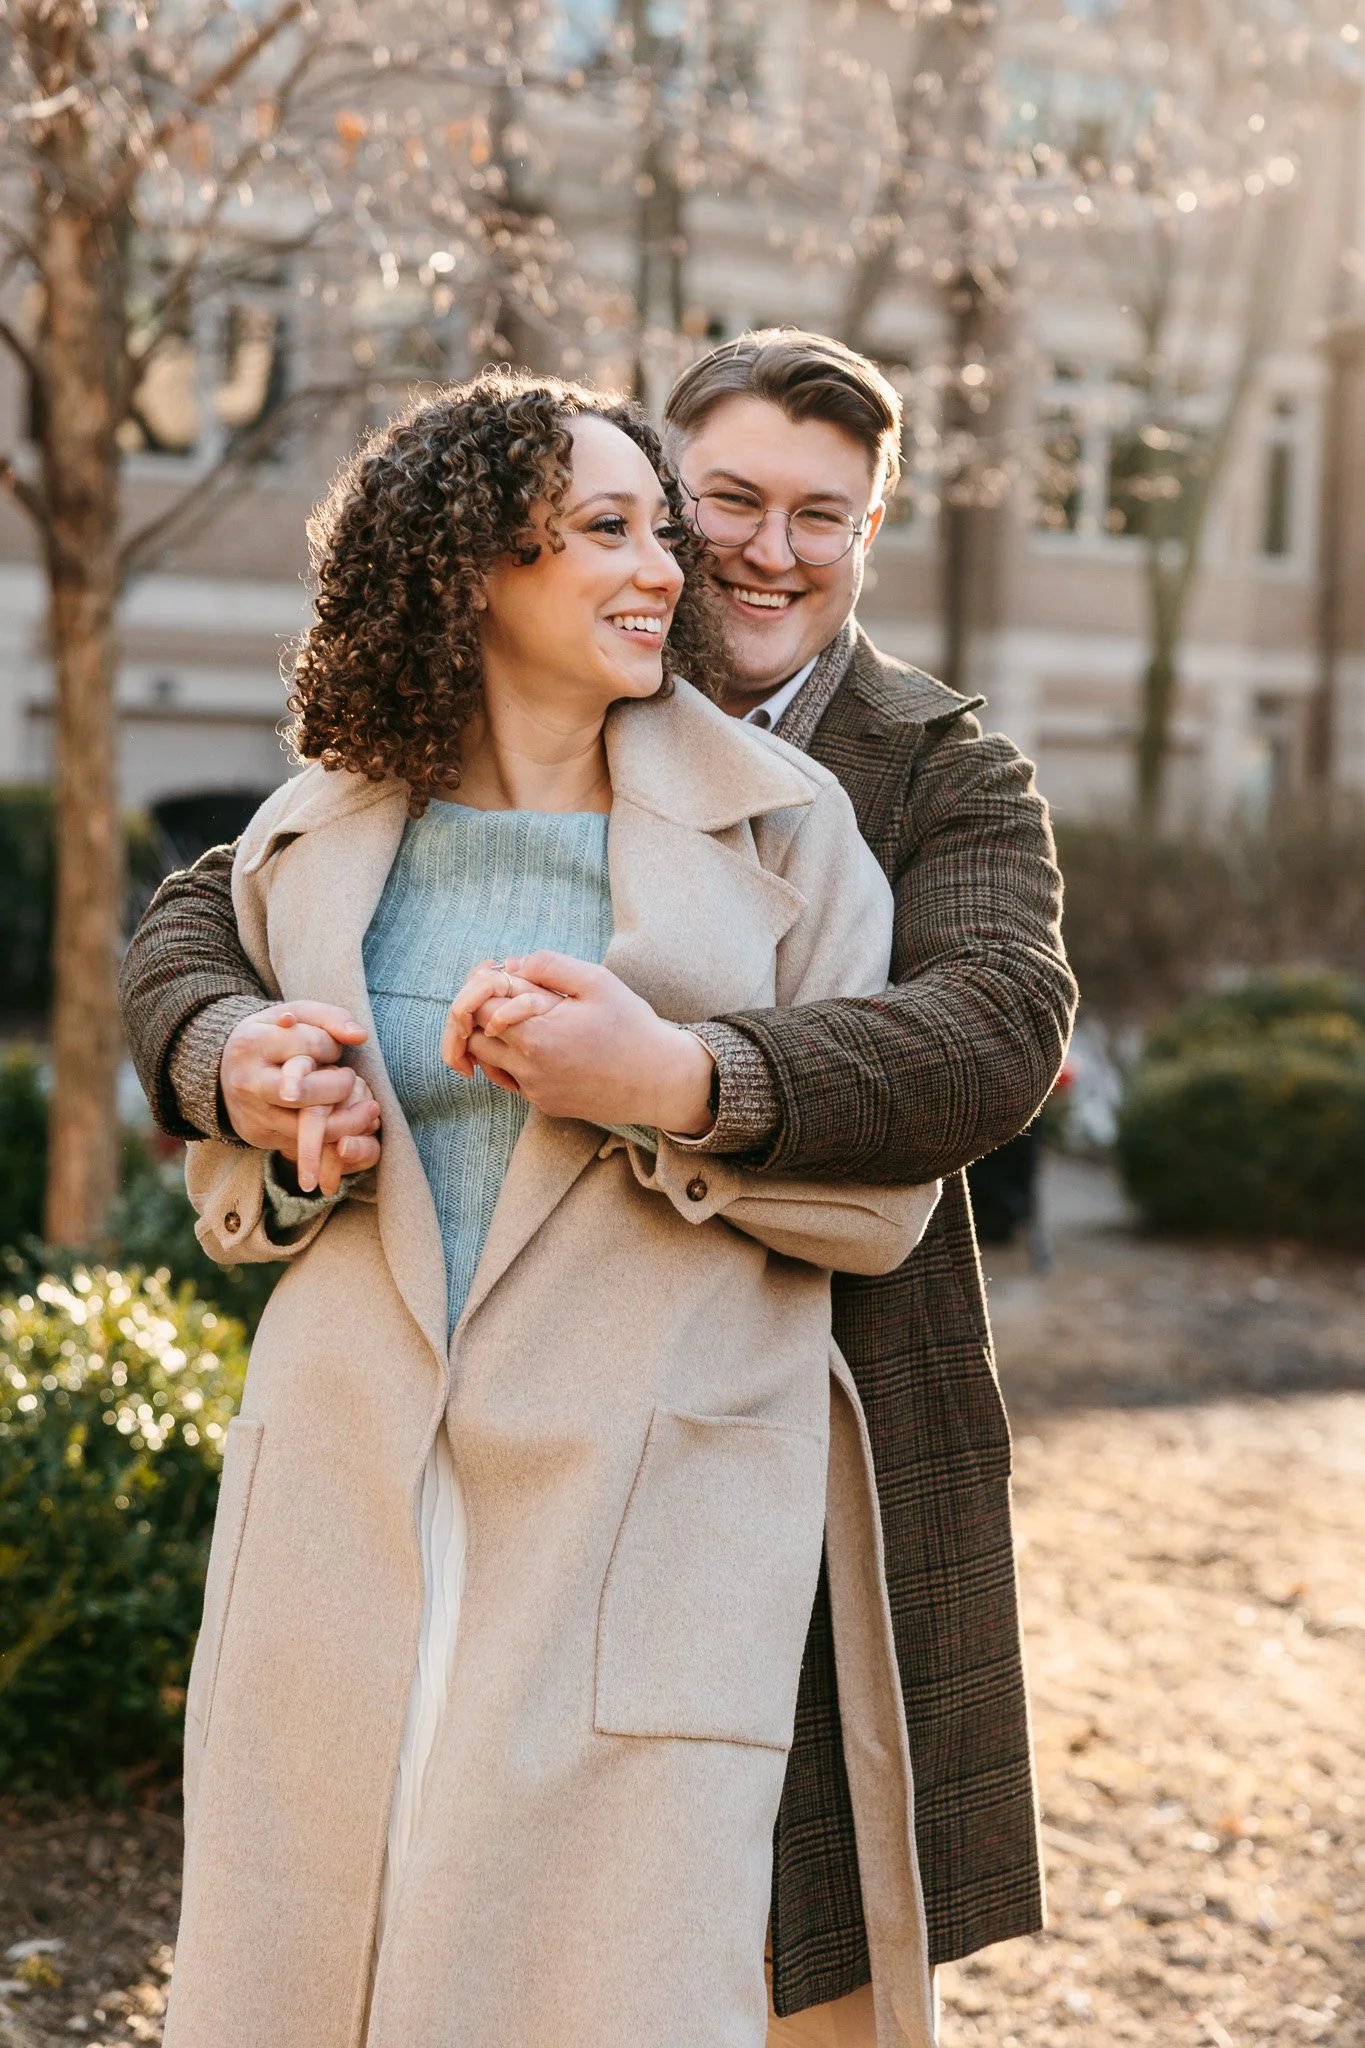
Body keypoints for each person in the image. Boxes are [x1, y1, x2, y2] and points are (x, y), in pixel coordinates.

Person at [121, 331, 1078, 2043]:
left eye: (824, 516)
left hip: (795, 1411)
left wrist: (684, 1076)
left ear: (872, 533)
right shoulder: (365, 796)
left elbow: (993, 1029)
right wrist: (225, 1059)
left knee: (759, 1938)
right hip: (392, 1460)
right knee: (374, 1896)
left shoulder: (908, 778)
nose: (755, 552)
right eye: (717, 505)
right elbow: (210, 916)